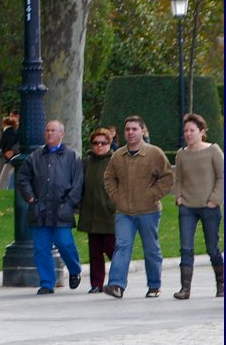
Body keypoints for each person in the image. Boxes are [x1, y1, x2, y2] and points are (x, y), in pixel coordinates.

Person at [102, 115, 174, 299]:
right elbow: (109, 177)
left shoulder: (154, 153)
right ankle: (116, 285)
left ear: (143, 131)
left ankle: (154, 285)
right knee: (122, 246)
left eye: (134, 129)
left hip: (148, 211)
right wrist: (116, 196)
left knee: (151, 249)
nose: (130, 132)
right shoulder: (118, 155)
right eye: (127, 129)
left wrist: (152, 195)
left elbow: (167, 178)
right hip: (124, 212)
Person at [17, 120, 84, 295]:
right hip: (39, 209)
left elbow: (78, 183)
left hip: (62, 208)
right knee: (41, 248)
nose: (49, 133)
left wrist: (69, 203)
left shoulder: (72, 157)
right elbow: (23, 178)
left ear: (61, 134)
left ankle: (74, 269)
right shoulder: (35, 156)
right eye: (47, 130)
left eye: (53, 130)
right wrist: (30, 197)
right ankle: (47, 283)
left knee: (64, 242)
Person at [172, 113, 224, 299]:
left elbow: (222, 177)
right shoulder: (181, 154)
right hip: (187, 207)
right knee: (186, 247)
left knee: (212, 247)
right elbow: (179, 179)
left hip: (209, 207)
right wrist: (179, 197)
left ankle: (221, 284)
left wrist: (214, 199)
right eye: (186, 131)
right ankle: (185, 289)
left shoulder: (213, 151)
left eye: (192, 130)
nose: (188, 134)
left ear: (202, 132)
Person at [77, 128, 116, 293]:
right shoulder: (87, 162)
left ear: (109, 144)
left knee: (112, 249)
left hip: (109, 214)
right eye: (95, 143)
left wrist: (113, 203)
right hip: (91, 213)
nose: (99, 146)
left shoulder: (115, 161)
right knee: (95, 253)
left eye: (103, 143)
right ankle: (96, 284)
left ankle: (117, 280)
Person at [0, 116, 19, 189]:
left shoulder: (7, 132)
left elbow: (2, 144)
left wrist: (4, 152)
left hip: (9, 156)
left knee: (4, 179)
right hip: (14, 156)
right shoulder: (16, 132)